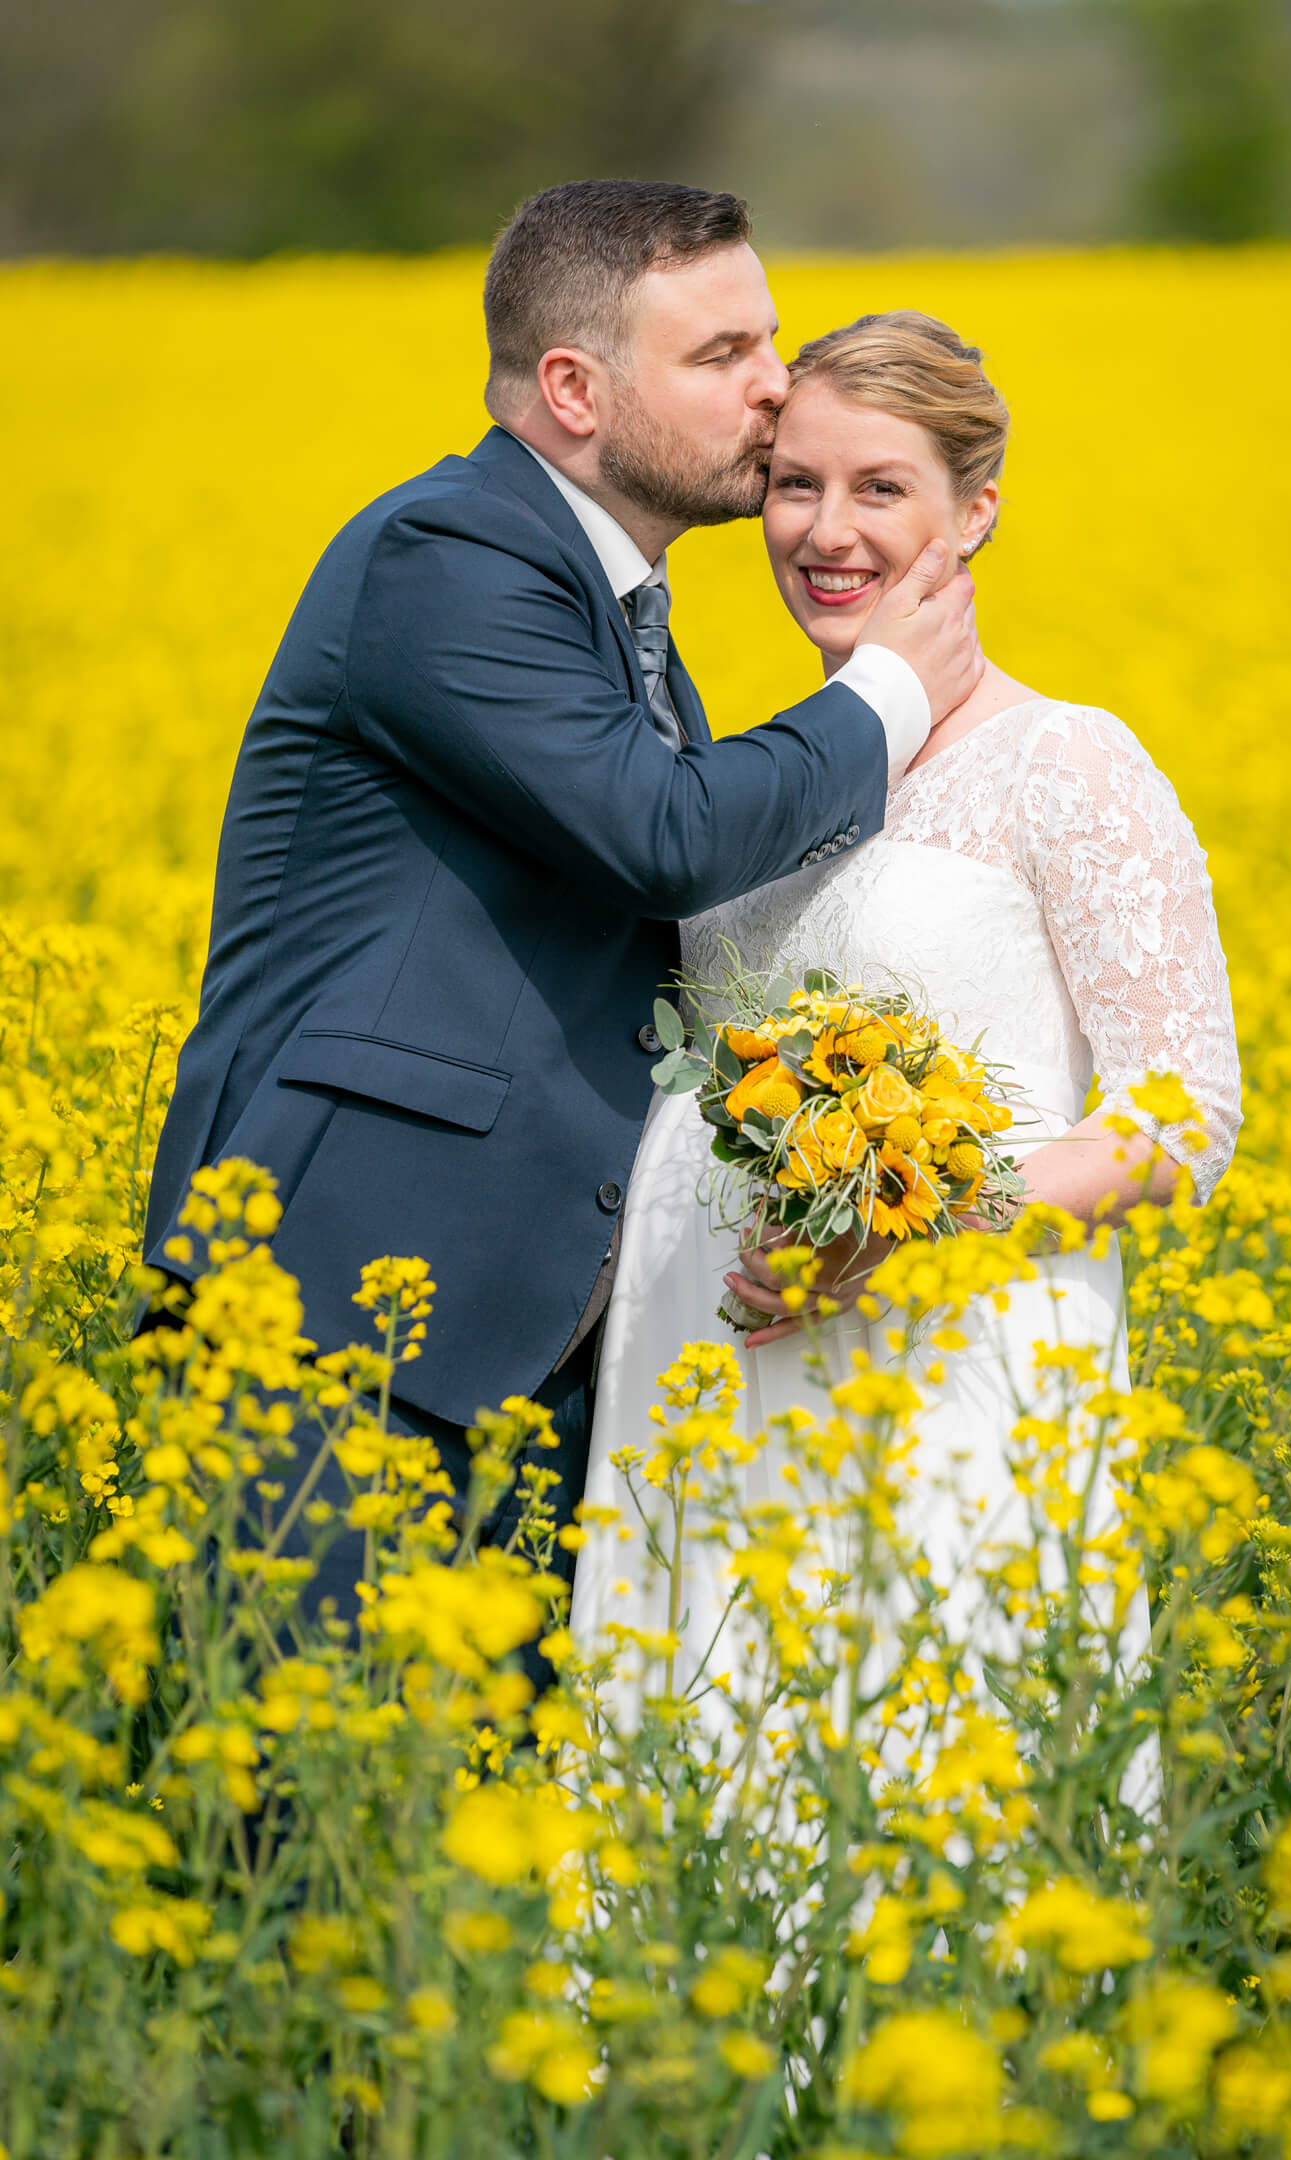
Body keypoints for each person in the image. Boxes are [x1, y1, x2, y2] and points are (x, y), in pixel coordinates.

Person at [141, 188, 982, 1616]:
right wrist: (887, 692)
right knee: (301, 1812)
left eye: (769, 339)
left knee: (472, 1818)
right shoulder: (451, 558)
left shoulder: (620, 617)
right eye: (723, 353)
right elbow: (661, 840)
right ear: (575, 389)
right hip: (335, 1313)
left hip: (511, 1344)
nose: (776, 385)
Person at [570, 311, 1243, 1693]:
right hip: (708, 1370)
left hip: (950, 1377)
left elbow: (1181, 1123)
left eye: (881, 489)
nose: (827, 530)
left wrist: (909, 1214)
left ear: (976, 511)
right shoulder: (759, 772)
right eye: (796, 483)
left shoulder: (1069, 764)